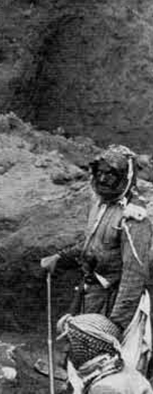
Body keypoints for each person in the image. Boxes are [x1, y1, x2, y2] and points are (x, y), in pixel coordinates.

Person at [41, 144, 152, 377]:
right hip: (90, 293)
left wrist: (114, 326)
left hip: (113, 303)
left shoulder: (135, 218)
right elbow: (93, 246)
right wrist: (60, 258)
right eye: (99, 172)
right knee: (81, 352)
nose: (102, 179)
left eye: (110, 175)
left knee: (109, 369)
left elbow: (134, 277)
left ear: (125, 178)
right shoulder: (100, 204)